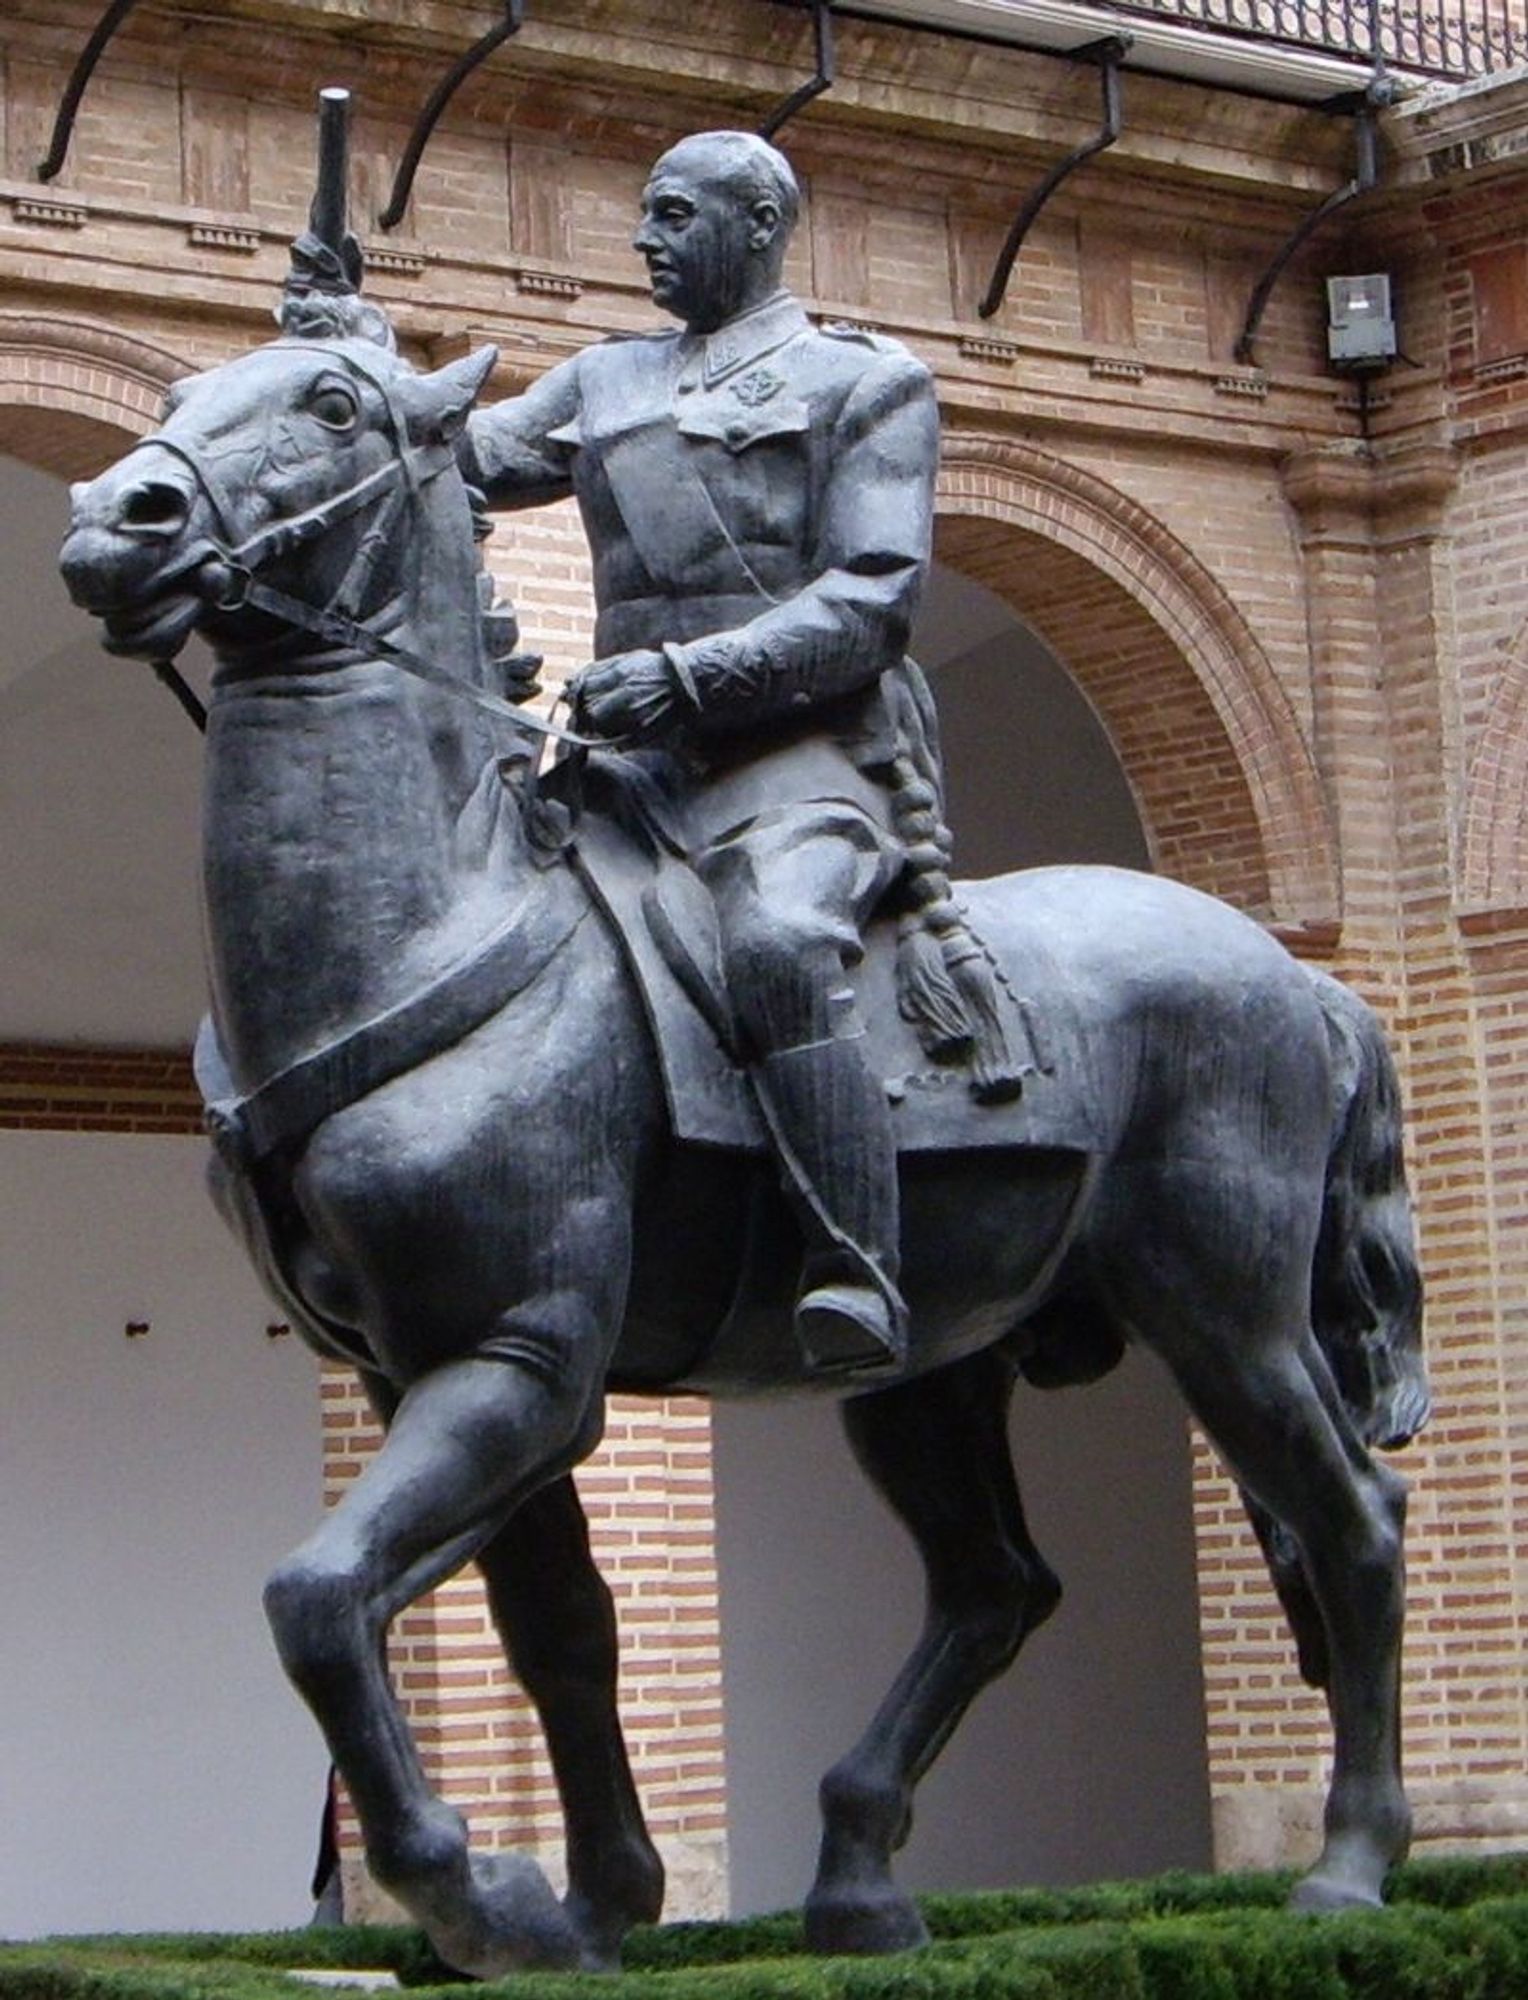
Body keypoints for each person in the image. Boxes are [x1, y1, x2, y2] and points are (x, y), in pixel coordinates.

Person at [464, 129, 944, 1377]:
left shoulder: (862, 384)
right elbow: (456, 464)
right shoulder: (604, 381)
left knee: (779, 944)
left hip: (800, 760)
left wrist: (686, 678)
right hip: (629, 776)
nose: (645, 238)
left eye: (674, 215)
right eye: (645, 215)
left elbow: (870, 600)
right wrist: (341, 348)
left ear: (759, 224)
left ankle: (858, 1265)